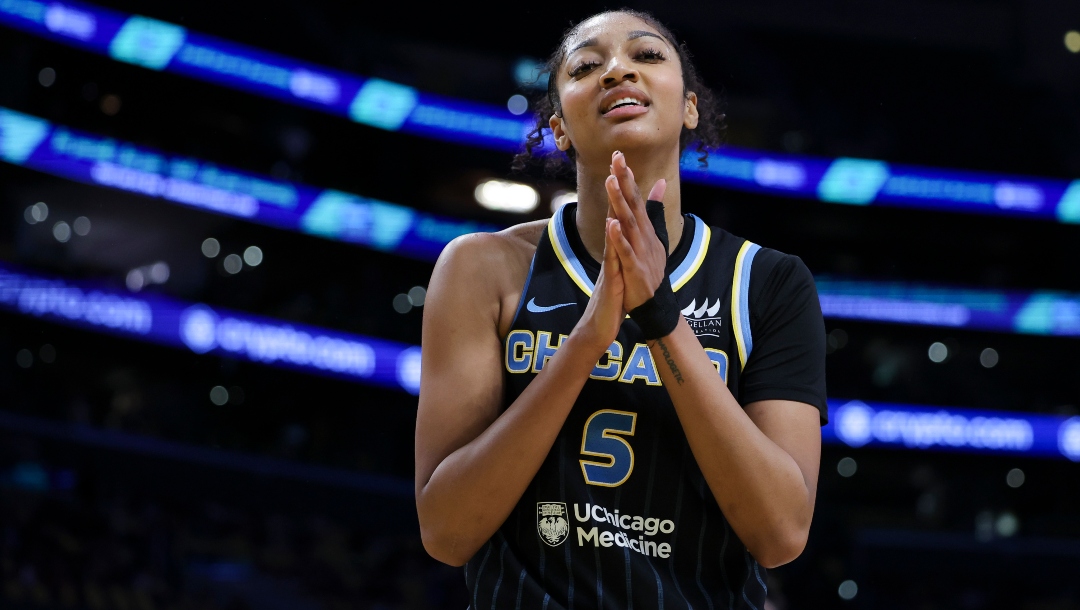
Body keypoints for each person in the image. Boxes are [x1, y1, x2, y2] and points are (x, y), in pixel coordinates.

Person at [415, 9, 826, 609]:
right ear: (559, 129)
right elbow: (447, 532)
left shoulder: (769, 282)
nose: (616, 72)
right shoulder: (481, 268)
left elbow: (781, 533)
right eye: (586, 66)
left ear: (689, 107)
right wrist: (584, 343)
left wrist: (661, 319)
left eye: (648, 56)